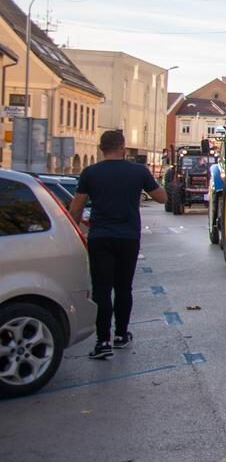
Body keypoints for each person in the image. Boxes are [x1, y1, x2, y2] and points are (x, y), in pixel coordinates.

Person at [70, 130, 166, 360]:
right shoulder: (138, 171)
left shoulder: (90, 173)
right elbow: (162, 198)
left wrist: (74, 230)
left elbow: (76, 208)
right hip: (128, 238)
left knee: (102, 289)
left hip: (100, 237)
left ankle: (102, 341)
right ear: (122, 147)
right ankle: (121, 335)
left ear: (101, 148)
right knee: (124, 288)